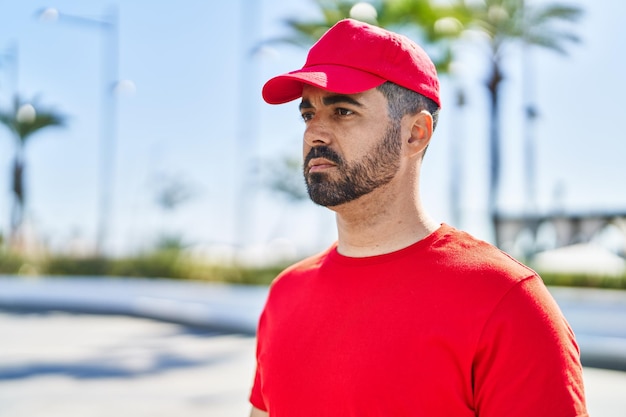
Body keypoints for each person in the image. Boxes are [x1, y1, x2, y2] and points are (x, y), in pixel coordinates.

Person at [248, 18, 588, 417]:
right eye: (308, 115)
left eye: (342, 110)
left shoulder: (507, 301)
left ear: (415, 134)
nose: (315, 134)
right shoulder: (285, 294)